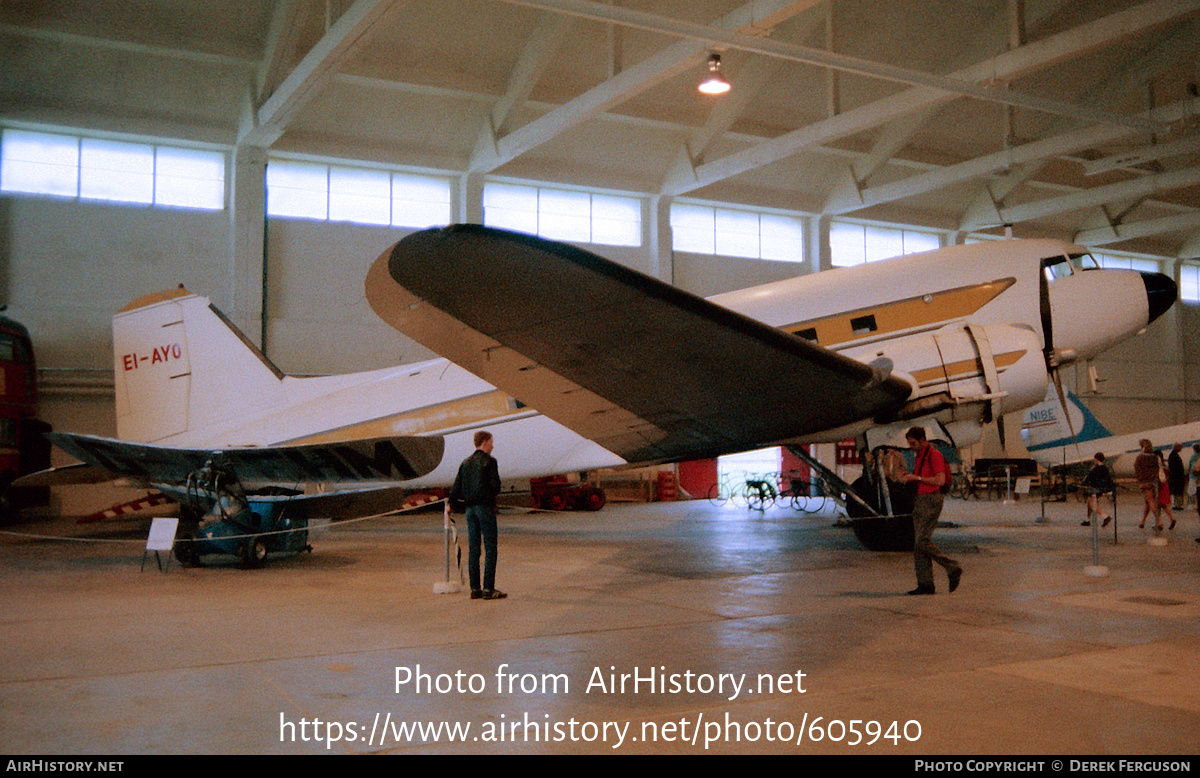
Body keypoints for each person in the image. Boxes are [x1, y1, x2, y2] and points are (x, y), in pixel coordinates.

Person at [899, 427, 961, 595]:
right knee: (918, 545)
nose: (911, 446)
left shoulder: (934, 455)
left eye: (913, 443)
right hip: (921, 499)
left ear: (922, 440)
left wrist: (916, 478)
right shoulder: (919, 455)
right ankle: (925, 585)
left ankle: (952, 567)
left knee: (922, 542)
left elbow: (940, 480)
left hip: (931, 499)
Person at [449, 430, 506, 600]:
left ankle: (475, 589)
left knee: (474, 549)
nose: (493, 446)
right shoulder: (490, 462)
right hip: (485, 508)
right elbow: (496, 486)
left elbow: (456, 487)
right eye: (491, 442)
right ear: (485, 442)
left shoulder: (465, 463)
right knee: (490, 547)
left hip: (470, 510)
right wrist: (489, 494)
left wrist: (450, 505)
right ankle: (488, 588)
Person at [1133, 439, 1162, 530]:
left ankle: (1159, 521)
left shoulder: (1140, 457)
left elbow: (1137, 469)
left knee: (1150, 501)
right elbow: (1157, 468)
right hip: (1153, 481)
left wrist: (1140, 480)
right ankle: (1143, 521)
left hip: (1144, 481)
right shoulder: (1154, 457)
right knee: (1148, 502)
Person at [1080, 452, 1114, 528]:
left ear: (1096, 459)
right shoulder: (1104, 468)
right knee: (1089, 504)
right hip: (1101, 489)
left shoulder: (1096, 468)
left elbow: (1089, 477)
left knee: (1092, 504)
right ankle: (1087, 520)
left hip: (1094, 489)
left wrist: (1084, 483)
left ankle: (1105, 517)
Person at [1168, 443, 1186, 511]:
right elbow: (1175, 467)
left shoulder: (1173, 455)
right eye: (1180, 447)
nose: (1181, 449)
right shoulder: (1174, 456)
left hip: (1176, 477)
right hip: (1177, 478)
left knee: (1177, 492)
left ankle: (1177, 504)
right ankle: (1177, 505)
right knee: (1178, 491)